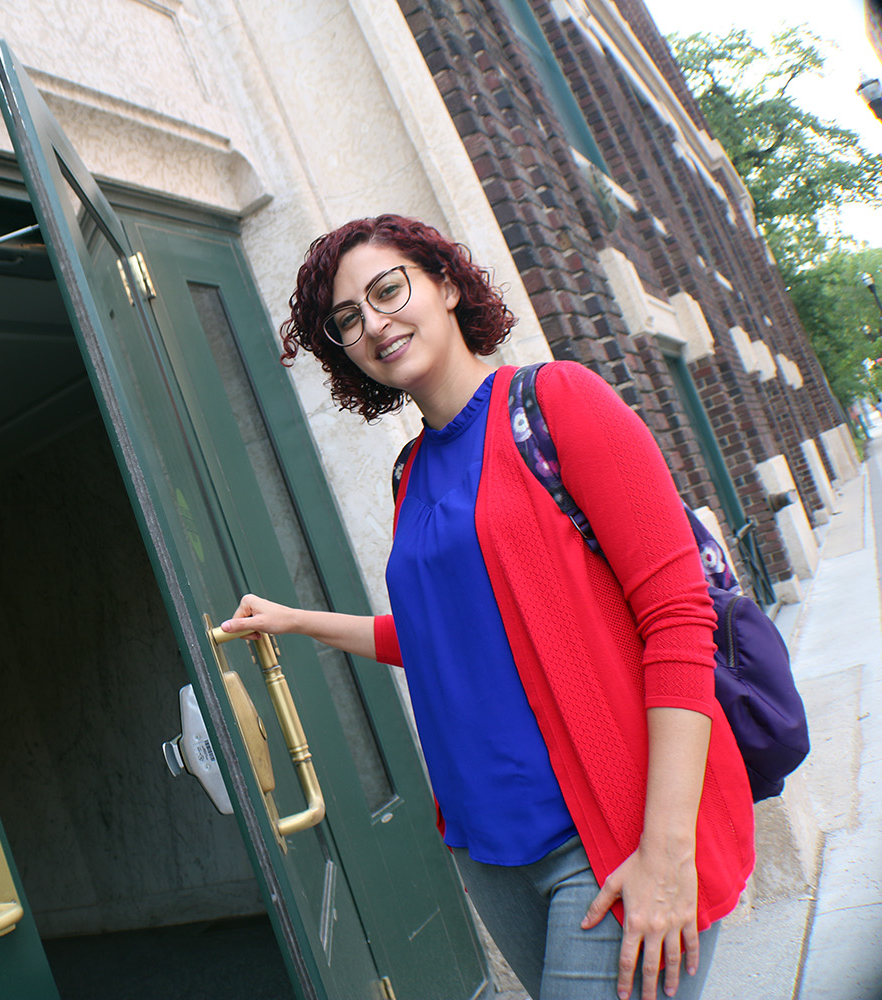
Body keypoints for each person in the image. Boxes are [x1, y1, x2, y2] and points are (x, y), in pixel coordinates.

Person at [222, 216, 754, 1000]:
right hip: (489, 852)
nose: (374, 322)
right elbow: (446, 639)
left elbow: (677, 616)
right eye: (347, 319)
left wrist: (667, 850)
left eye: (388, 289)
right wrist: (297, 621)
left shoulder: (556, 401)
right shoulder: (409, 474)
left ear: (443, 283)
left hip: (608, 830)